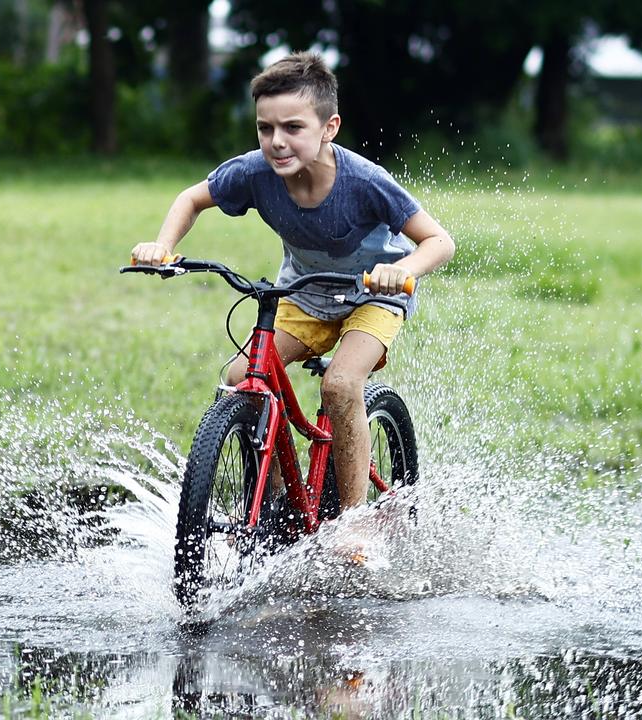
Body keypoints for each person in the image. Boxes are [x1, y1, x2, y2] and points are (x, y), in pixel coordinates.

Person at [130, 51, 455, 523]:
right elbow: (192, 198)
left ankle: (354, 522)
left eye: (293, 128)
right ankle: (276, 499)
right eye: (265, 128)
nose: (277, 142)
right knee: (241, 378)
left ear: (330, 128)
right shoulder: (255, 173)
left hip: (375, 295)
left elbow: (439, 241)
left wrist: (404, 266)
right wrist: (162, 246)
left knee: (341, 386)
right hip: (304, 293)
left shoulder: (365, 182)